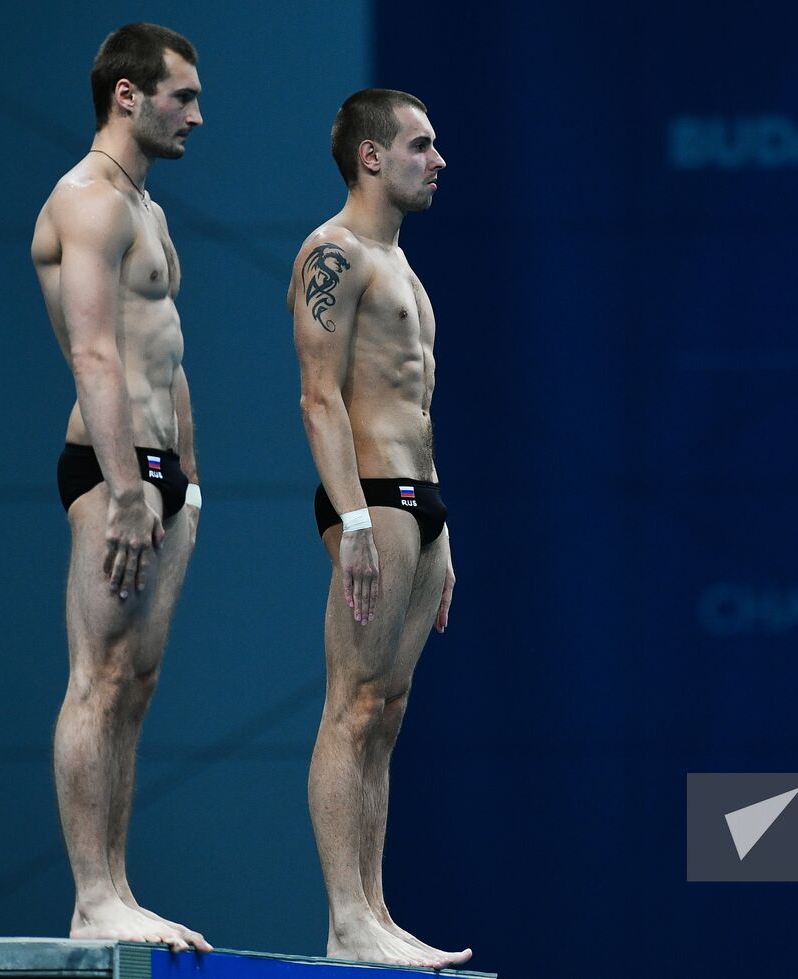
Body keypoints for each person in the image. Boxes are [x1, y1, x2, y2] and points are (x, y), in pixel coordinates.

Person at [31, 23, 210, 952]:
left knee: (134, 686)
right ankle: (91, 894)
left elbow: (166, 352)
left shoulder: (148, 207)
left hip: (159, 475)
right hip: (113, 472)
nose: (197, 114)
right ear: (128, 96)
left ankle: (119, 884)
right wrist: (128, 485)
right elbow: (96, 353)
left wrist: (188, 477)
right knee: (97, 677)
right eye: (182, 95)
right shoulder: (87, 202)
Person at [288, 89, 468, 969]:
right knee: (351, 705)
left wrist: (443, 538)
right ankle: (344, 917)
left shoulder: (403, 267)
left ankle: (376, 910)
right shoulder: (335, 253)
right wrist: (356, 518)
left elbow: (419, 408)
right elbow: (318, 396)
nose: (438, 160)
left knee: (387, 713)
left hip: (418, 505)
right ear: (371, 156)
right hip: (372, 499)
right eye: (421, 145)